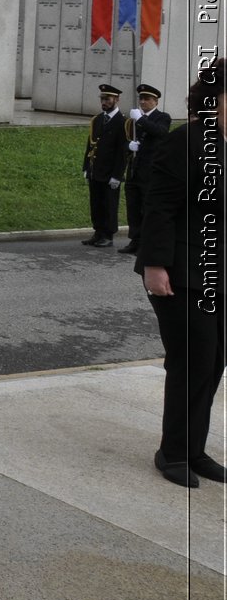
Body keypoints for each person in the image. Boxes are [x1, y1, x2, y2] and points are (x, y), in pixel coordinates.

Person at [136, 60, 226, 487]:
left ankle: (194, 449)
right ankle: (171, 452)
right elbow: (159, 208)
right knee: (193, 361)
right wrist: (154, 265)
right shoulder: (185, 142)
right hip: (179, 272)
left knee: (215, 363)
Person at [119, 84, 171, 255]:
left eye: (147, 99)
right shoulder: (133, 120)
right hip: (134, 170)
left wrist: (140, 120)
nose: (143, 102)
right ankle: (136, 240)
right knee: (133, 208)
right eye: (141, 99)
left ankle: (147, 242)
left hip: (149, 172)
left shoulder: (162, 117)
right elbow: (125, 141)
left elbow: (161, 133)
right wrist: (129, 146)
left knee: (147, 208)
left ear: (155, 101)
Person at [82, 83, 127, 248]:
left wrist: (117, 175)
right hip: (96, 170)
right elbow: (90, 145)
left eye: (107, 99)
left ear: (116, 99)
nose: (104, 102)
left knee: (109, 205)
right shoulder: (98, 119)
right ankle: (98, 232)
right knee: (96, 203)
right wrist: (86, 167)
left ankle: (108, 235)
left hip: (110, 173)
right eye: (102, 98)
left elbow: (122, 153)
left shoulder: (123, 122)